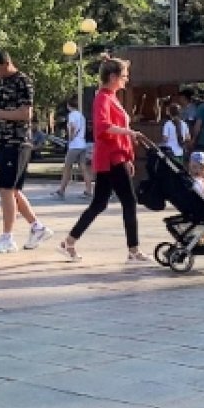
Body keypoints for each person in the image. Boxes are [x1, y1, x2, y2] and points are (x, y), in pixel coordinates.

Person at [58, 55, 151, 264]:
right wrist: (131, 133)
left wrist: (127, 155)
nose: (127, 79)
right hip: (110, 157)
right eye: (124, 75)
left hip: (114, 157)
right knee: (129, 201)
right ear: (112, 76)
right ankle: (133, 249)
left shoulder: (111, 96)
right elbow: (102, 126)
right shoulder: (103, 97)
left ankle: (69, 242)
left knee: (99, 203)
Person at [0, 49, 54, 254]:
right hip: (4, 141)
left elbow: (25, 113)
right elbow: (3, 111)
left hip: (17, 142)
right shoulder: (3, 83)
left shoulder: (23, 81)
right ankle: (37, 228)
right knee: (12, 190)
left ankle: (7, 237)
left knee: (6, 189)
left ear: (6, 63)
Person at [53, 98, 94, 199]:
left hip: (74, 145)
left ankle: (61, 190)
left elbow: (72, 127)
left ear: (68, 105)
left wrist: (70, 138)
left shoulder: (72, 115)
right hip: (82, 144)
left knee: (67, 168)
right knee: (84, 168)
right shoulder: (81, 116)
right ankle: (89, 190)